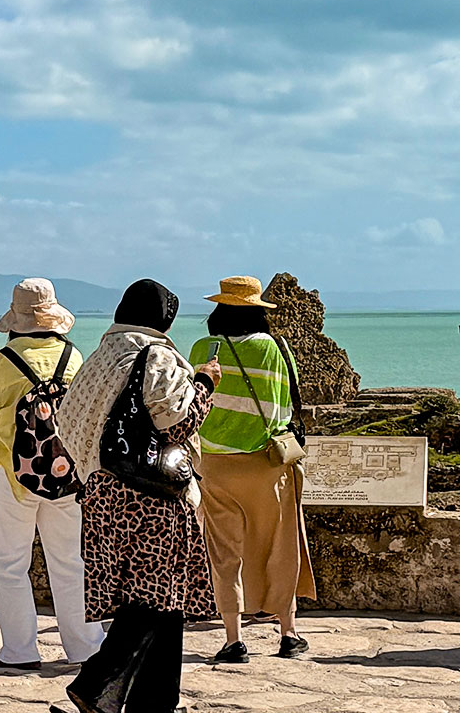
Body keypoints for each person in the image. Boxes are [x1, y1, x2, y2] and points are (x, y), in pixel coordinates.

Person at [57, 279, 219, 713]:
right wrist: (204, 384)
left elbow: (67, 427)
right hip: (150, 497)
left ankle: (154, 703)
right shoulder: (158, 356)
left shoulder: (98, 357)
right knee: (153, 598)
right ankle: (94, 683)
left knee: (161, 605)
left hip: (102, 495)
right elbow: (176, 425)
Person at [185, 276, 317, 663]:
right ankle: (288, 633)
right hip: (267, 465)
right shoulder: (274, 348)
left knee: (225, 554)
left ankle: (232, 640)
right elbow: (287, 407)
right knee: (280, 546)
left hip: (216, 466)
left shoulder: (202, 348)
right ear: (258, 310)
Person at [0, 278, 102, 670]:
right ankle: (85, 647)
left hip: (17, 475)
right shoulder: (74, 357)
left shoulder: (5, 360)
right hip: (68, 476)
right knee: (70, 561)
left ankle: (19, 650)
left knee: (11, 563)